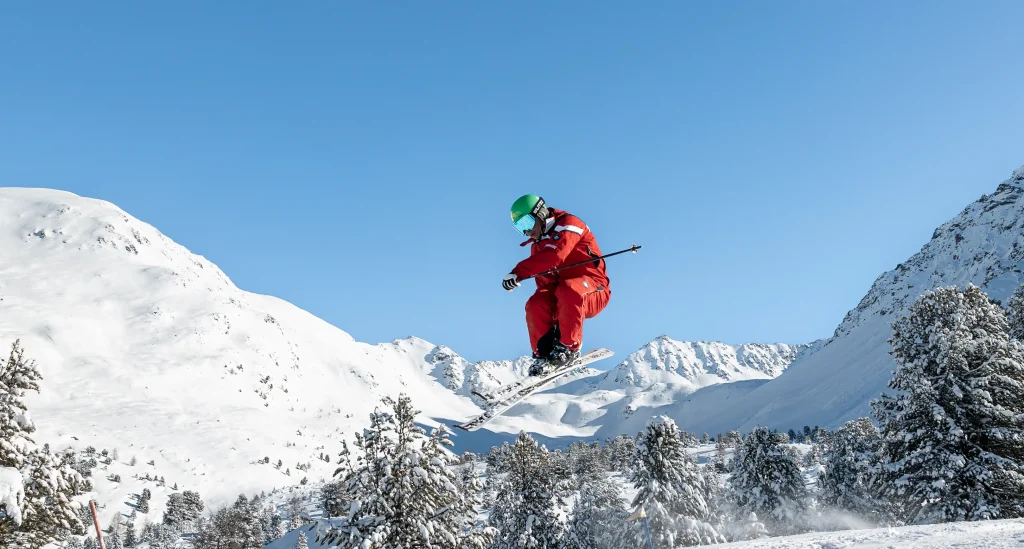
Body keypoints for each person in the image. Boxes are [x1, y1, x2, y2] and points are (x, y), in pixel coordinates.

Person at [502, 194, 611, 374]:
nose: (527, 231)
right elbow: (545, 286)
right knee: (535, 303)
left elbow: (555, 255)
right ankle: (543, 355)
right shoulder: (538, 246)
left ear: (540, 213)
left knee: (568, 289)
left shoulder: (570, 224)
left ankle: (568, 348)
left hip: (594, 290)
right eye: (520, 227)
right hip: (564, 297)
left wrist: (518, 272)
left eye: (527, 223)